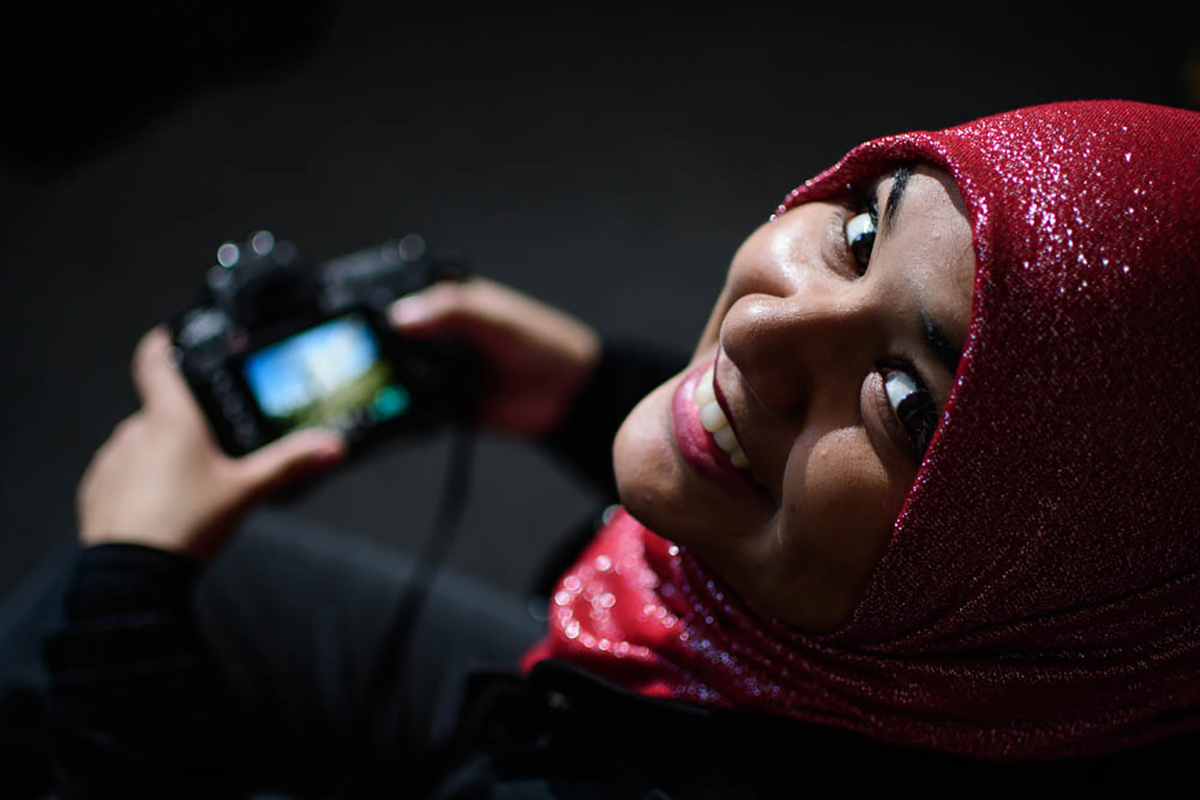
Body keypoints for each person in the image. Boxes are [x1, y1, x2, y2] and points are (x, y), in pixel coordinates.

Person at [3, 99, 1199, 798]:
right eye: (857, 232)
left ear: (1047, 596)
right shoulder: (1083, 675)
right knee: (237, 588)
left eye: (904, 399)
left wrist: (123, 598)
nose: (763, 327)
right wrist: (589, 390)